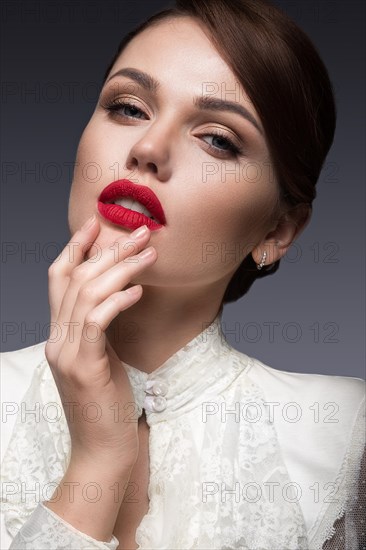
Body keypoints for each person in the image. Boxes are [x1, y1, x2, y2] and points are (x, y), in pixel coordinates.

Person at [1, 0, 365, 549]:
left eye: (218, 138)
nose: (147, 149)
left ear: (278, 231)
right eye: (128, 107)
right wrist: (98, 461)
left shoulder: (343, 432)